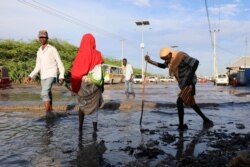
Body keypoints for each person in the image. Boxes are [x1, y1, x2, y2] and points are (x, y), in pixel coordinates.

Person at [145, 47, 213, 130]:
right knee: (192, 104)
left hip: (189, 83)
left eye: (166, 58)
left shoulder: (180, 56)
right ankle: (206, 120)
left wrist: (189, 78)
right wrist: (150, 61)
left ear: (170, 54)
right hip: (183, 85)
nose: (166, 60)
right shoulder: (171, 61)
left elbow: (195, 62)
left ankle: (181, 126)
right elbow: (162, 66)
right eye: (163, 59)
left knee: (179, 102)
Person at [70, 33, 104, 132]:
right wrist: (102, 87)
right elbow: (100, 73)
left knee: (82, 106)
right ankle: (95, 130)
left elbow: (75, 73)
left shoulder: (79, 55)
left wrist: (74, 88)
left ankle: (80, 127)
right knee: (95, 108)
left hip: (82, 86)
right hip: (95, 87)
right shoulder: (97, 54)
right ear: (93, 43)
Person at [28, 29, 65, 117]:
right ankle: (51, 112)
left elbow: (59, 63)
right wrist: (30, 76)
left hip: (51, 74)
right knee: (48, 93)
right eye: (40, 37)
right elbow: (38, 66)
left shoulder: (52, 49)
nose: (42, 39)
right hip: (43, 76)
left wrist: (61, 76)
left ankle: (48, 113)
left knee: (44, 93)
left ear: (47, 38)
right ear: (39, 38)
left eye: (44, 37)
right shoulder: (39, 51)